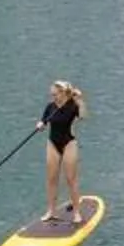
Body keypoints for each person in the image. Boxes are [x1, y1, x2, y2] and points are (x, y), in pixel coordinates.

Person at [38, 80, 87, 223]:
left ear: (63, 93)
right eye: (51, 95)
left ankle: (77, 213)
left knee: (71, 180)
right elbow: (43, 122)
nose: (53, 97)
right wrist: (40, 125)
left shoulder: (73, 106)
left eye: (55, 94)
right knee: (51, 179)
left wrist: (80, 101)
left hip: (69, 143)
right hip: (52, 143)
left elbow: (83, 116)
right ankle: (51, 211)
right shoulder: (50, 107)